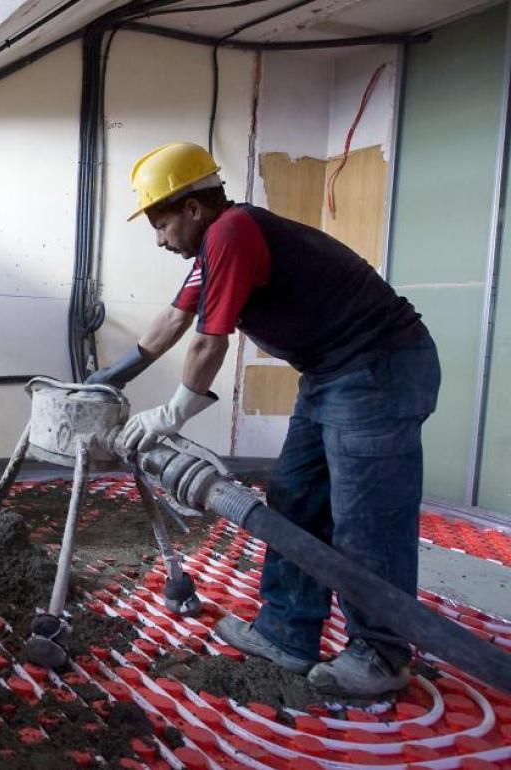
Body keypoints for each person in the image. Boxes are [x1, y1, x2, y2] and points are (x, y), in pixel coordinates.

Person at [90, 142, 440, 698]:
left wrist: (172, 413)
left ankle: (381, 655)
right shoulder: (213, 249)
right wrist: (109, 377)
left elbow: (210, 340)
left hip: (380, 366)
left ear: (192, 210)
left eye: (160, 224)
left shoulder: (231, 233)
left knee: (365, 517)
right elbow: (175, 318)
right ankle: (287, 630)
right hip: (329, 373)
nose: (158, 239)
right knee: (296, 497)